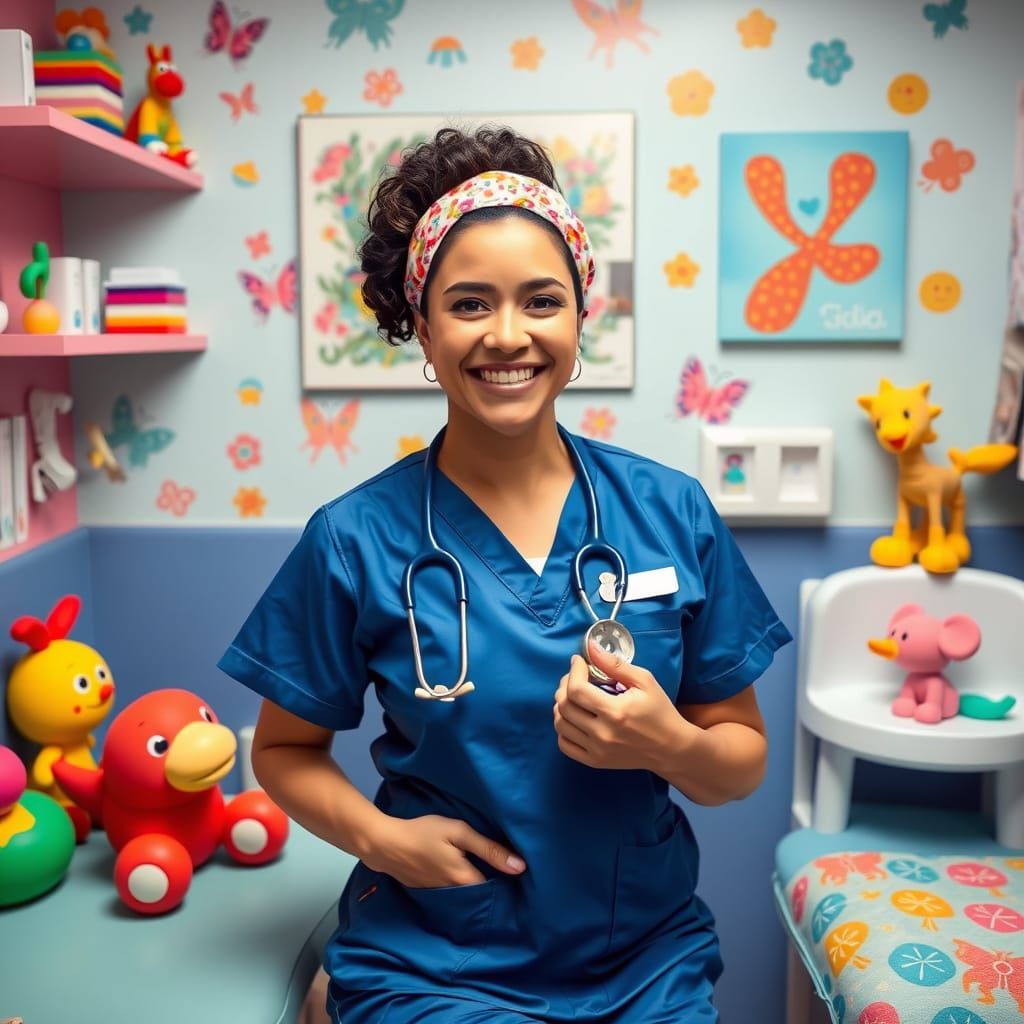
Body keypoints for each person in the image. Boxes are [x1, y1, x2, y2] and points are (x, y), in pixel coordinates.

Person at [218, 123, 792, 1024]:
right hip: (436, 960)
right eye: (470, 303)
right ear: (421, 324)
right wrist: (382, 840)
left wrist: (667, 746)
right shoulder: (352, 538)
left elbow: (739, 763)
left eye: (540, 300)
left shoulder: (672, 513)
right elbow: (282, 750)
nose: (509, 335)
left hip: (643, 956)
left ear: (578, 315)